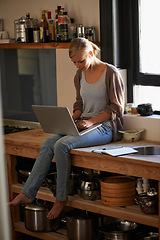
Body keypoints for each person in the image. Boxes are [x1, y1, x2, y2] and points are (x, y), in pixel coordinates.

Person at [9, 38, 124, 219]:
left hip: (104, 127)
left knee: (61, 145)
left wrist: (92, 121)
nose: (77, 65)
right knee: (48, 142)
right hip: (84, 124)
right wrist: (71, 119)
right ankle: (27, 193)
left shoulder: (111, 73)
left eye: (81, 61)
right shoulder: (79, 75)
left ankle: (60, 198)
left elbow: (116, 109)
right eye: (74, 62)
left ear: (91, 54)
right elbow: (79, 105)